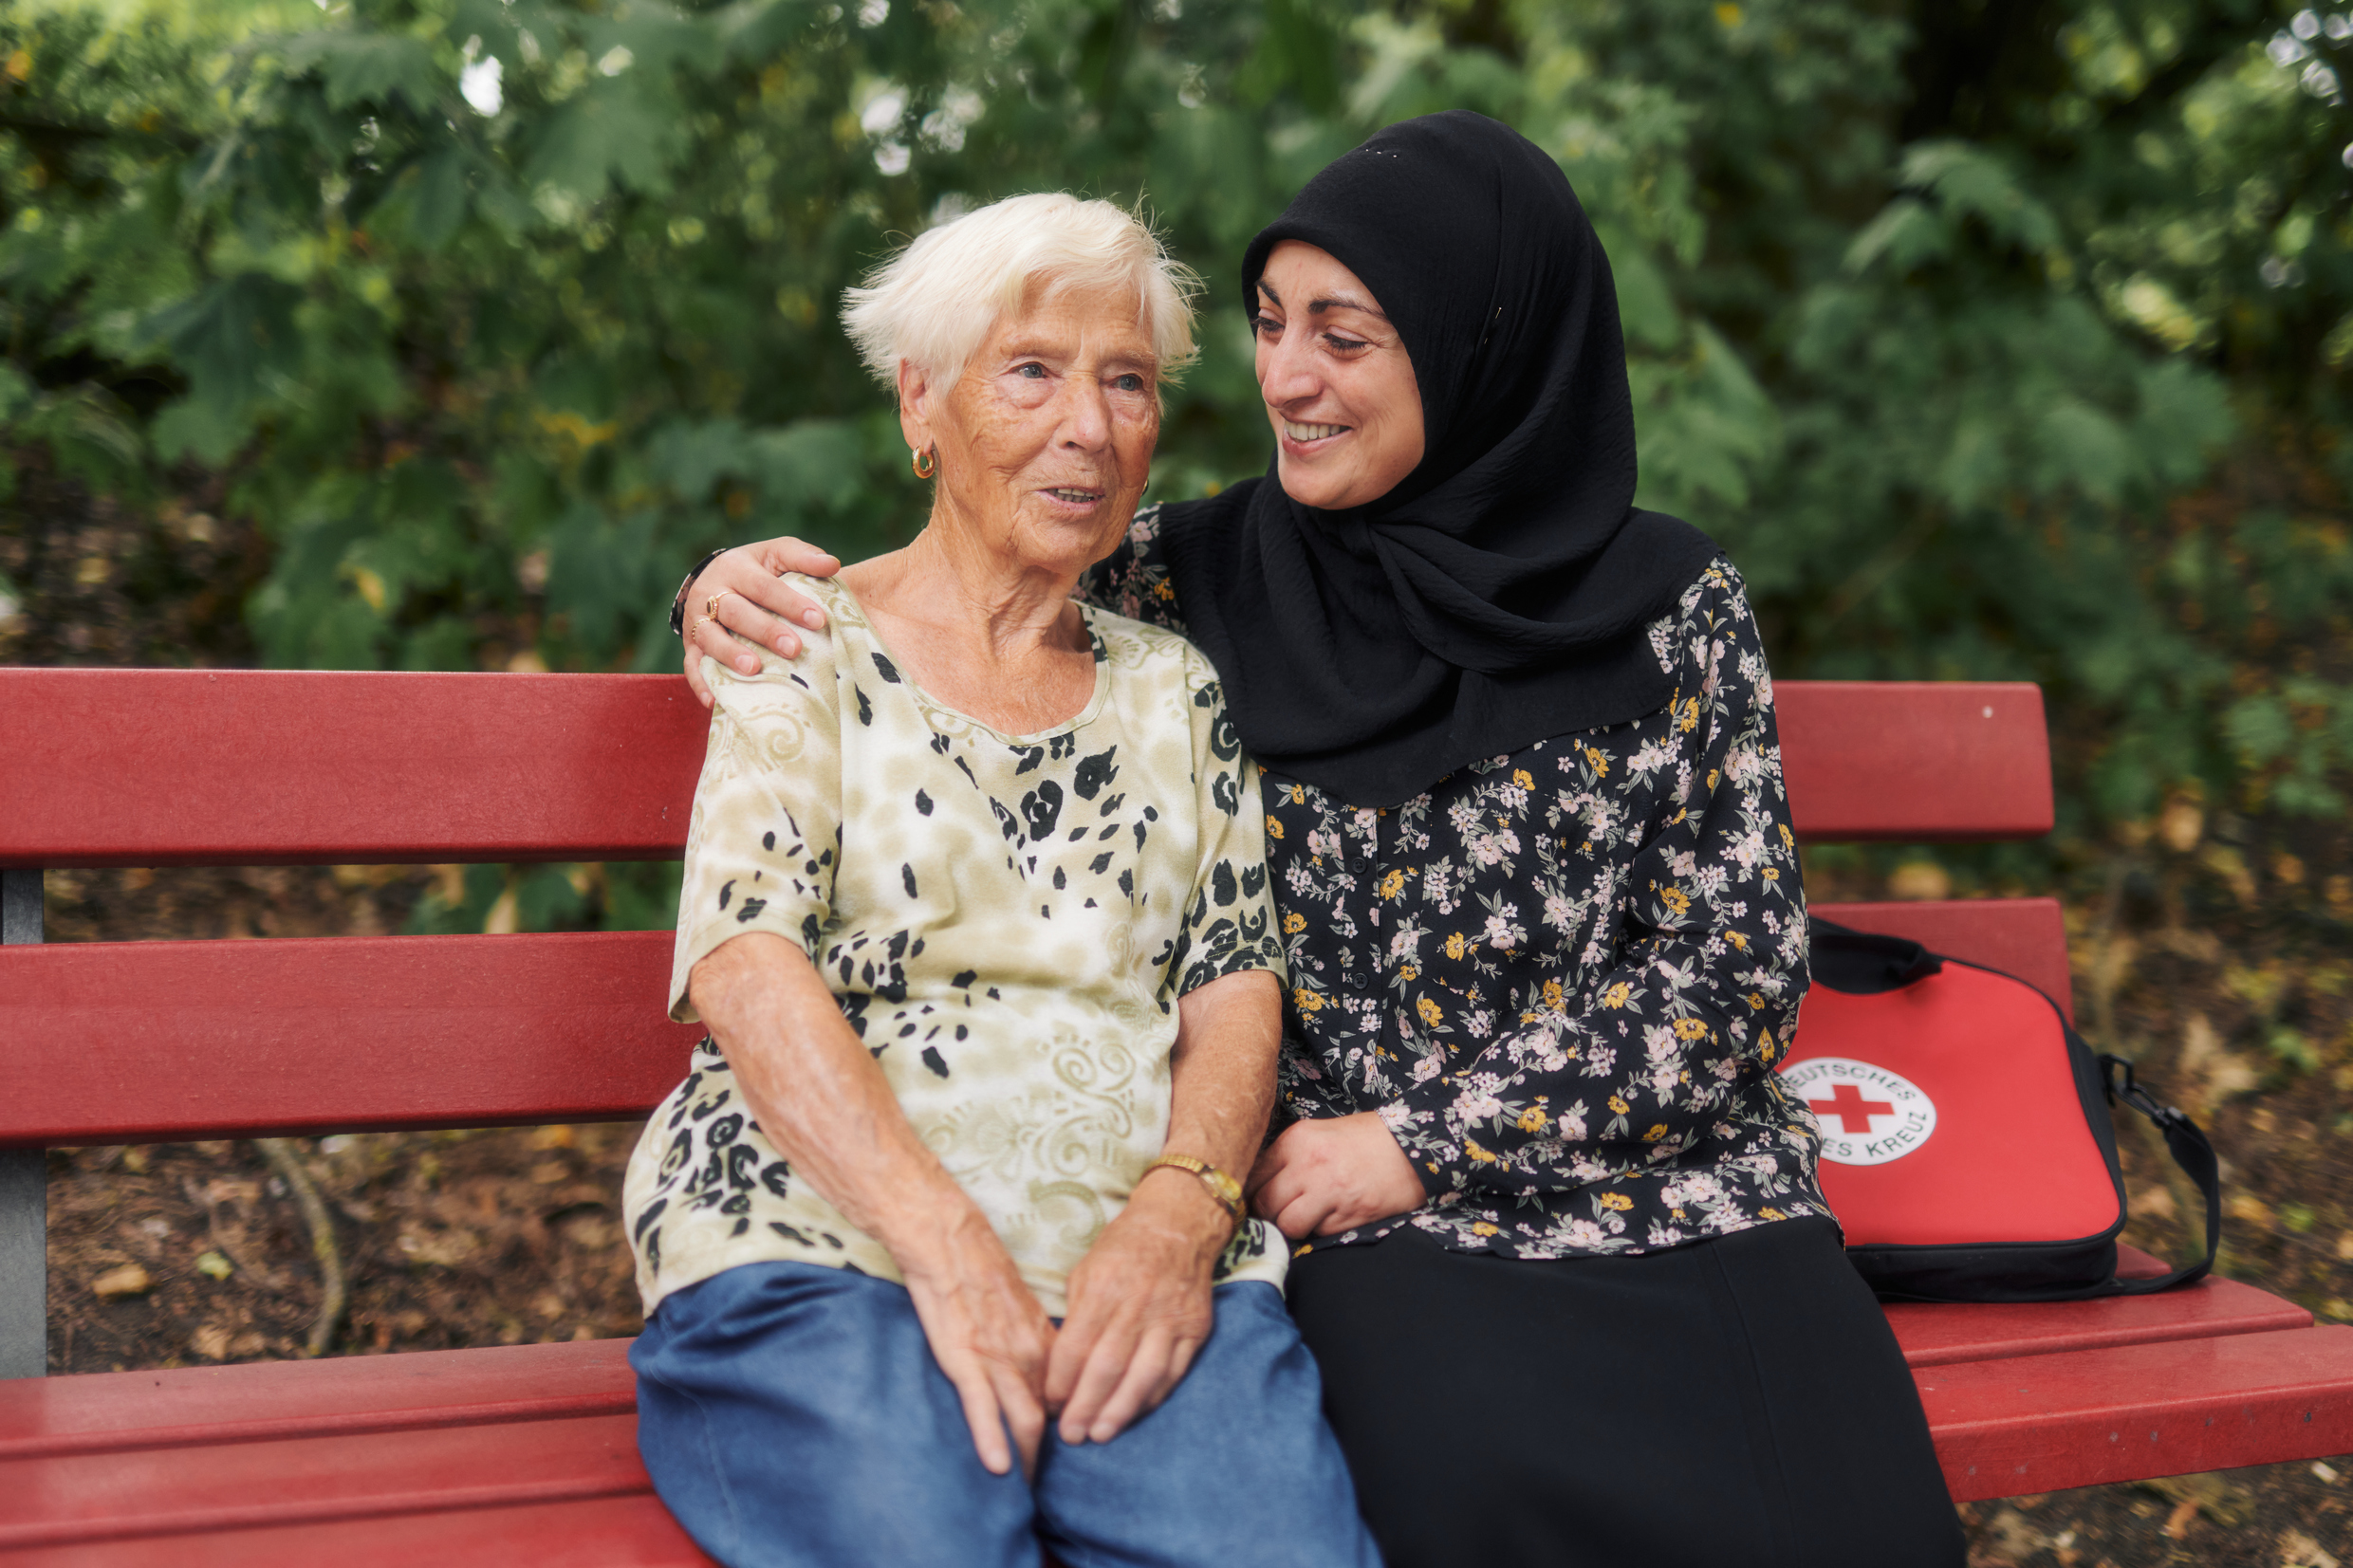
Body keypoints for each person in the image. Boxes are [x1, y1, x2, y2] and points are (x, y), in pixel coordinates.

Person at [673, 115, 1967, 1568]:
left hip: (1666, 1173)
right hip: (1363, 1228)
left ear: (1481, 349)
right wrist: (722, 594)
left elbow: (1731, 968)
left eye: (1345, 337)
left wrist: (1422, 1140)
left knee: (1839, 1508)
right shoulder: (1196, 579)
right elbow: (958, 578)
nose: (1285, 377)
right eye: (1276, 325)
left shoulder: (1670, 607)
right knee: (1459, 1483)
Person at [627, 191, 1379, 1568]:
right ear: (921, 404)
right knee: (936, 1535)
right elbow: (745, 960)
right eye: (1031, 369)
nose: (1087, 425)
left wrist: (1179, 1212)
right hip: (828, 1240)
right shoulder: (809, 646)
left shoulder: (1176, 687)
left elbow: (1234, 982)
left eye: (1128, 381)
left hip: (1126, 1257)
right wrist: (951, 1248)